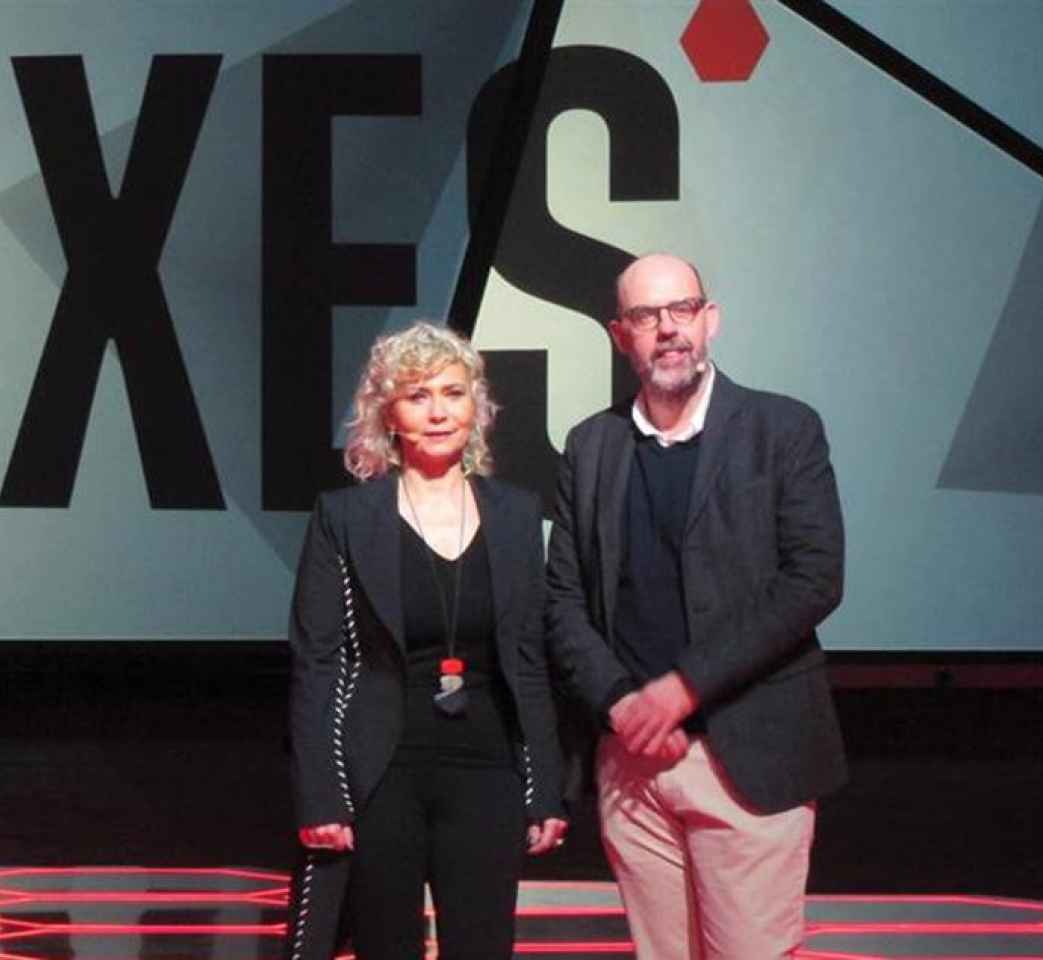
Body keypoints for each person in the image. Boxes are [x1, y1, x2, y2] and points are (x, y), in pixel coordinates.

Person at [545, 253, 848, 959]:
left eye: (682, 310)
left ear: (710, 320)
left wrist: (682, 689)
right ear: (621, 336)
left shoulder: (784, 429)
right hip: (633, 764)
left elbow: (813, 580)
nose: (668, 330)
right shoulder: (591, 446)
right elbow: (562, 599)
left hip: (746, 756)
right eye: (647, 317)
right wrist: (622, 704)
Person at [282, 321, 568, 960]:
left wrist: (544, 785)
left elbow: (528, 659)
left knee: (483, 946)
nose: (439, 412)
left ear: (478, 405)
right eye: (418, 396)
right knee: (386, 946)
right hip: (382, 772)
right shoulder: (347, 518)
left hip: (487, 769)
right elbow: (317, 661)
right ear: (388, 413)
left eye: (453, 392)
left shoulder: (518, 513)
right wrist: (320, 792)